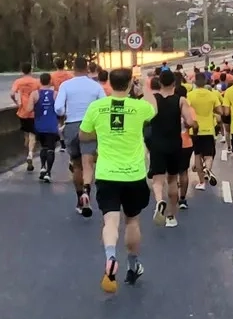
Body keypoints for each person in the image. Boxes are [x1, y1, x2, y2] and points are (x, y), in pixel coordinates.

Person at [79, 68, 156, 291]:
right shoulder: (139, 107)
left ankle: (111, 256)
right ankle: (133, 265)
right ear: (131, 83)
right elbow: (154, 108)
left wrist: (101, 132)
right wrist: (144, 86)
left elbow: (83, 135)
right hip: (134, 175)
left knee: (110, 222)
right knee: (132, 221)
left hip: (107, 174)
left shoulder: (97, 107)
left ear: (110, 84)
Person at [57, 56, 107, 215]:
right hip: (90, 125)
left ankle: (80, 199)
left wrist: (67, 113)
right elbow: (104, 105)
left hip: (72, 125)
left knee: (76, 164)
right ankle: (87, 191)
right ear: (87, 68)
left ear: (73, 68)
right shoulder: (96, 86)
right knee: (88, 163)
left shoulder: (66, 85)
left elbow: (58, 108)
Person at [145, 69, 195, 228]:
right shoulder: (180, 100)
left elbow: (144, 119)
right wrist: (188, 124)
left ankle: (160, 200)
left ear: (159, 83)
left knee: (157, 180)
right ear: (174, 83)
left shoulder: (152, 100)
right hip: (174, 144)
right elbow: (190, 121)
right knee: (173, 180)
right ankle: (171, 216)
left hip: (157, 144)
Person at [186, 71, 222, 191]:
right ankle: (208, 169)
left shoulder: (190, 95)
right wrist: (211, 111)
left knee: (197, 155)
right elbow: (220, 111)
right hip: (208, 129)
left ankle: (201, 182)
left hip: (195, 130)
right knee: (209, 155)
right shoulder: (212, 95)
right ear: (206, 81)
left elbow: (186, 111)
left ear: (195, 82)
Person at [29, 72, 61, 181]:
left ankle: (42, 167)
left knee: (43, 147)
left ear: (40, 81)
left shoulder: (34, 94)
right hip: (51, 125)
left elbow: (29, 109)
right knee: (51, 149)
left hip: (39, 125)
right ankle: (48, 172)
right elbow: (60, 110)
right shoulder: (55, 94)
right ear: (50, 81)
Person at [10, 63, 40, 171]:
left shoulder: (18, 82)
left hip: (22, 111)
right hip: (33, 111)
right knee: (33, 134)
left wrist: (16, 102)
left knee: (26, 134)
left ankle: (27, 154)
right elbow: (39, 95)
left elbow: (12, 94)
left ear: (22, 71)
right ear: (31, 70)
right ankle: (30, 154)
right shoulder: (36, 82)